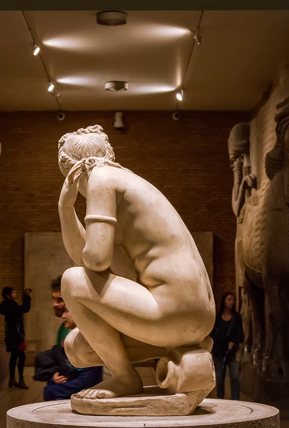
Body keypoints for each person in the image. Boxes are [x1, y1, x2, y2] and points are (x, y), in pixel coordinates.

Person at [57, 125, 215, 400]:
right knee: (78, 348)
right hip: (199, 317)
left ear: (74, 171)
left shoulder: (102, 178)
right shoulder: (127, 181)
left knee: (71, 280)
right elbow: (86, 259)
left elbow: (95, 261)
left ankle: (125, 378)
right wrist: (65, 208)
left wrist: (67, 205)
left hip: (172, 309)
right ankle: (180, 350)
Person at [41, 308, 103, 401]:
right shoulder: (69, 335)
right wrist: (55, 378)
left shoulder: (89, 341)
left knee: (49, 390)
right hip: (75, 380)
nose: (63, 316)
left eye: (66, 311)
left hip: (86, 387)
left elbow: (86, 380)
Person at [209, 291, 244, 400]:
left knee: (235, 377)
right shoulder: (218, 316)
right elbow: (212, 333)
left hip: (232, 353)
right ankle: (221, 401)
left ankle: (236, 402)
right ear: (224, 301)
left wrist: (233, 349)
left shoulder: (237, 317)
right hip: (219, 353)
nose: (232, 302)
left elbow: (239, 335)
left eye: (233, 300)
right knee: (219, 380)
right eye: (229, 300)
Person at [0, 286, 31, 389]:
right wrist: (27, 296)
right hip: (16, 336)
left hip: (13, 335)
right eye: (13, 293)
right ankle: (20, 380)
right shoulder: (11, 304)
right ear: (8, 295)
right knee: (21, 357)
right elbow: (25, 308)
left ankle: (12, 379)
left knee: (14, 357)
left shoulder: (8, 305)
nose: (15, 294)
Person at [51, 275, 70, 346]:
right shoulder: (63, 327)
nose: (54, 304)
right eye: (54, 299)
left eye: (60, 300)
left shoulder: (81, 330)